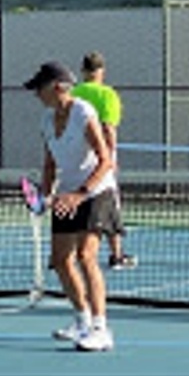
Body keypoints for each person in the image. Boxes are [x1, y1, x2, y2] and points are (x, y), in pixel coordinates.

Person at [24, 61, 119, 352]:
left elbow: (106, 160)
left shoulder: (83, 113)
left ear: (57, 87)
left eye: (39, 88)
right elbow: (50, 162)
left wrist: (80, 194)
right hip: (67, 193)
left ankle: (101, 330)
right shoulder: (46, 120)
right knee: (62, 259)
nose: (36, 94)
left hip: (97, 190)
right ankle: (82, 320)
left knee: (86, 255)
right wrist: (45, 193)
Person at [72, 51, 137, 270]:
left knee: (76, 200)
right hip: (100, 158)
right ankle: (116, 255)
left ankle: (70, 253)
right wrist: (109, 157)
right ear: (101, 71)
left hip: (75, 156)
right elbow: (109, 128)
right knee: (110, 204)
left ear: (83, 71)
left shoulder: (73, 93)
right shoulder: (107, 94)